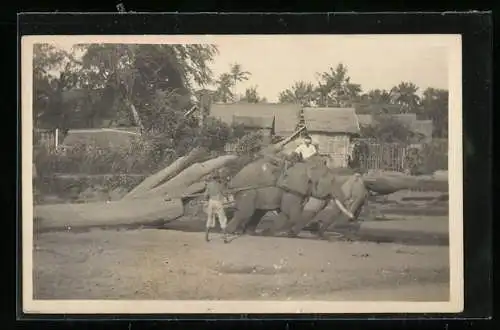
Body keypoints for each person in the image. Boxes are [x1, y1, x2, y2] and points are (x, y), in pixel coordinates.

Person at [204, 172, 229, 242]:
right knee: (222, 219)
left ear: (212, 178)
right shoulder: (220, 185)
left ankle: (206, 236)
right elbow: (224, 193)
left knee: (209, 218)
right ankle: (225, 238)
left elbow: (205, 195)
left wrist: (206, 201)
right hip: (218, 202)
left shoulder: (209, 185)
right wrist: (227, 196)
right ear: (217, 178)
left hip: (211, 202)